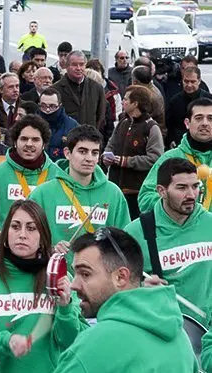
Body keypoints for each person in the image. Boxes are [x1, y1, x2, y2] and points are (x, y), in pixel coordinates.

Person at [0, 199, 87, 372]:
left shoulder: (59, 278)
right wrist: (7, 342)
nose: (22, 234)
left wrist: (65, 309)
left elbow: (72, 342)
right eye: (15, 226)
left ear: (43, 236)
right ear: (5, 233)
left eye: (31, 228)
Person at [53, 227, 198, 372]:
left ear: (121, 277)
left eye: (85, 274)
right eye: (75, 273)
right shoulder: (181, 339)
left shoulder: (91, 349)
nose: (73, 285)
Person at [124, 158, 212, 326]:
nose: (191, 195)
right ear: (161, 191)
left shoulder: (209, 223)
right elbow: (117, 287)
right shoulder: (135, 232)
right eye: (182, 188)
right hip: (162, 331)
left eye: (195, 186)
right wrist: (141, 288)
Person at [30, 125, 131, 261]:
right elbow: (28, 239)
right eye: (82, 151)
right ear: (67, 153)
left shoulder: (113, 193)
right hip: (56, 275)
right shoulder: (42, 193)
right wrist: (50, 249)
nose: (89, 158)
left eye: (94, 153)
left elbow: (124, 243)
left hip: (99, 277)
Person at [0, 115, 61, 227]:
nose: (29, 144)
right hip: (6, 242)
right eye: (24, 139)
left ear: (44, 144)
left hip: (47, 242)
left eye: (35, 139)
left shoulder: (57, 175)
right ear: (15, 142)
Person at [139, 98, 212, 212]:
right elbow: (145, 197)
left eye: (210, 118)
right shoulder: (170, 159)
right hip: (179, 228)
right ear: (187, 123)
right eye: (199, 118)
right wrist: (175, 206)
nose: (205, 123)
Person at [103, 85, 164, 219]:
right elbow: (111, 144)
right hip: (116, 190)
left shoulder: (151, 128)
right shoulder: (122, 123)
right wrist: (106, 156)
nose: (122, 102)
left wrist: (126, 161)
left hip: (136, 192)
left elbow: (155, 159)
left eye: (125, 99)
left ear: (135, 103)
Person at [52, 51, 106, 128]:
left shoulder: (97, 88)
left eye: (81, 64)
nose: (78, 68)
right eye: (74, 65)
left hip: (89, 136)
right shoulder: (55, 90)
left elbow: (100, 116)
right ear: (67, 67)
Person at [166, 67, 212, 148]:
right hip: (180, 142)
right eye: (186, 81)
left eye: (193, 81)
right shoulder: (174, 101)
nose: (189, 85)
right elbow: (169, 123)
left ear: (199, 81)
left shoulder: (209, 99)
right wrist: (171, 139)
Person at [37, 88, 78, 161]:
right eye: (43, 106)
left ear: (59, 105)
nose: (47, 110)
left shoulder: (72, 126)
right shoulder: (32, 124)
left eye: (52, 106)